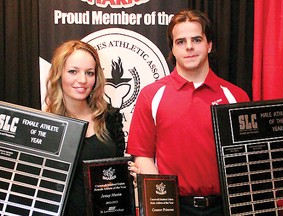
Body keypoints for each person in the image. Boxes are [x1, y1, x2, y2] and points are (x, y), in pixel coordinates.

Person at [126, 9, 250, 216]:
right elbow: (143, 157)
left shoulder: (236, 96)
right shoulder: (151, 95)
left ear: (209, 45)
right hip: (174, 208)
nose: (189, 47)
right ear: (172, 49)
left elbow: (247, 158)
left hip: (227, 208)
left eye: (197, 39)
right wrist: (162, 205)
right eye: (181, 41)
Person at [45, 40, 125, 215]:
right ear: (59, 74)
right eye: (73, 71)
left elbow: (117, 172)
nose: (82, 80)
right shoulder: (46, 126)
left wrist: (127, 176)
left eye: (89, 73)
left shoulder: (110, 118)